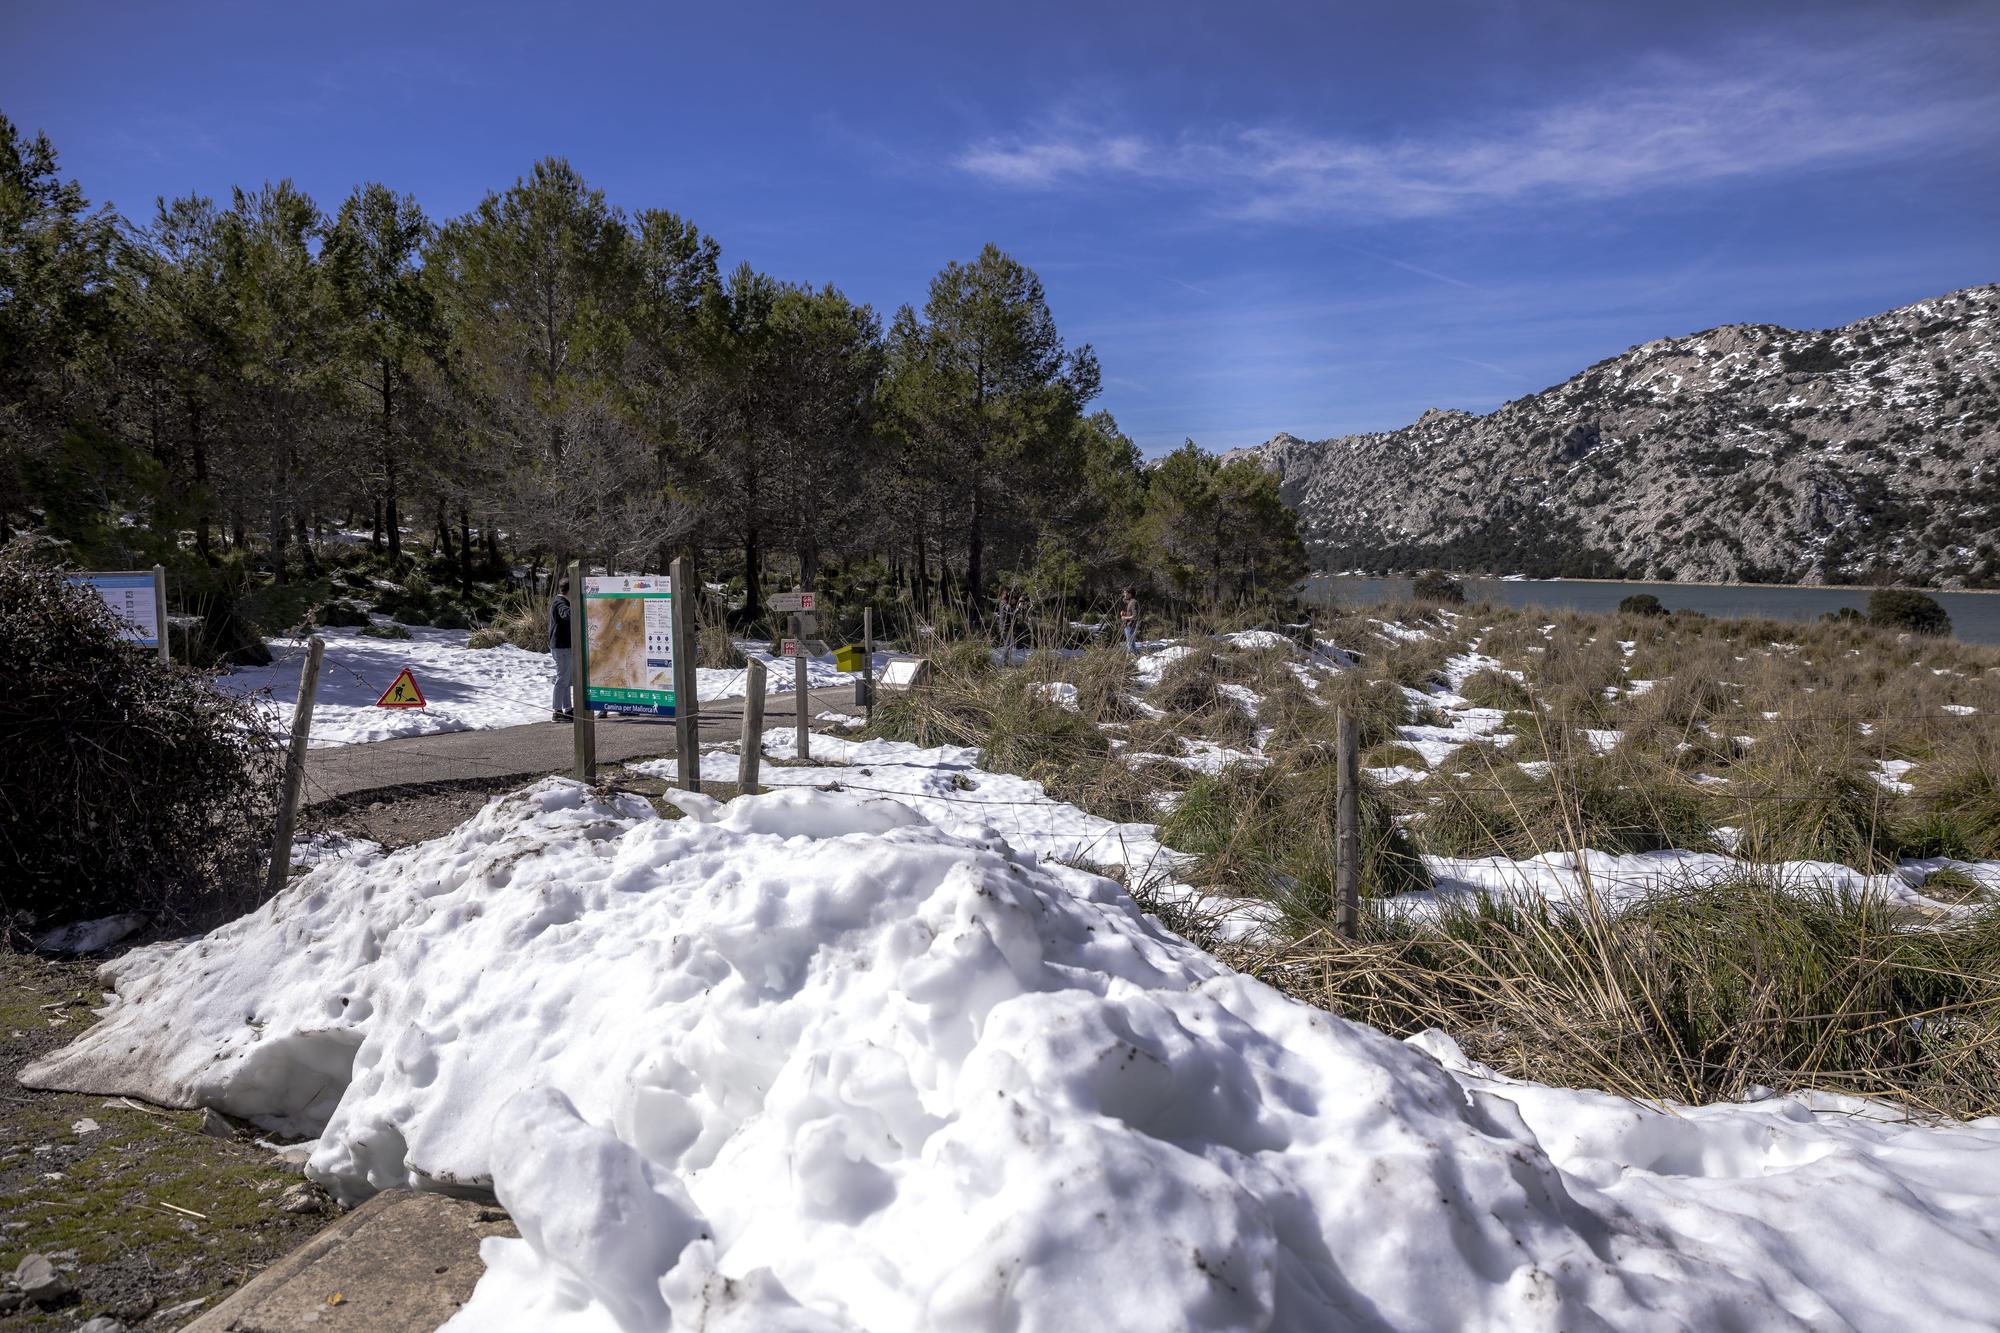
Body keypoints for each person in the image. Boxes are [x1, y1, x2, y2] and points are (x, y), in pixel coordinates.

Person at [548, 576, 573, 721]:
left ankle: (567, 709)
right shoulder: (560, 602)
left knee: (567, 679)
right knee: (562, 678)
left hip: (563, 646)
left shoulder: (560, 601)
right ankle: (557, 711)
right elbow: (566, 614)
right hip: (561, 647)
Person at [1118, 586, 1140, 653]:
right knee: (1130, 645)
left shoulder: (1133, 602)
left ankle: (1136, 659)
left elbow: (1135, 616)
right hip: (1127, 626)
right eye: (1124, 593)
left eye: (1126, 593)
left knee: (1131, 646)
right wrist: (1124, 613)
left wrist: (1125, 618)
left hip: (1130, 626)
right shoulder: (1129, 601)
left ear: (1130, 594)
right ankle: (1137, 659)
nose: (1124, 594)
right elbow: (1130, 613)